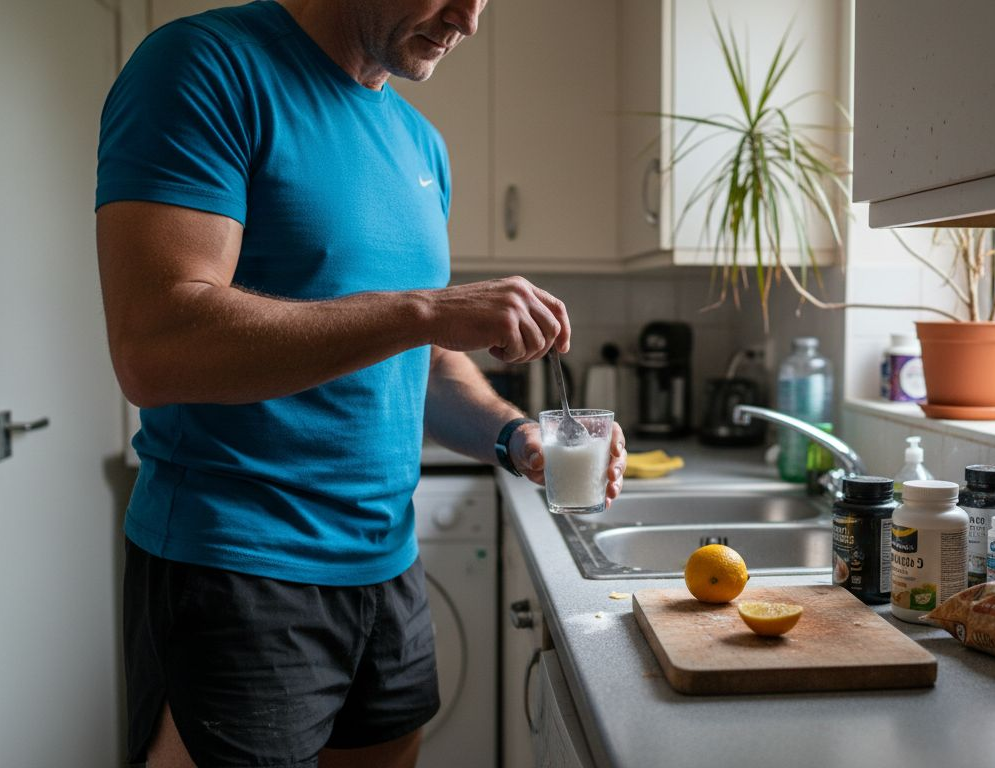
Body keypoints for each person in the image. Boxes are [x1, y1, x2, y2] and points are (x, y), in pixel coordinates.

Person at [94, 1, 626, 766]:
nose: (469, 21)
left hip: (387, 568)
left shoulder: (419, 144)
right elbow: (155, 344)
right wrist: (424, 309)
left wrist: (517, 437)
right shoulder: (204, 66)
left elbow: (426, 362)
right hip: (238, 568)